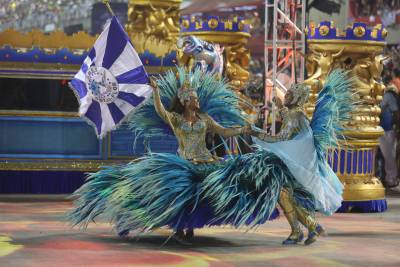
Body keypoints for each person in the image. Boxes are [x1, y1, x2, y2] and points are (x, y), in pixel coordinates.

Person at [68, 68, 258, 245]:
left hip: (207, 161)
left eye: (196, 97)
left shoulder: (205, 118)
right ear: (185, 101)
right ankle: (179, 229)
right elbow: (161, 111)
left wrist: (243, 129)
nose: (197, 100)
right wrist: (157, 91)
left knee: (203, 195)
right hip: (185, 162)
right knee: (182, 194)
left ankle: (190, 226)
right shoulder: (176, 119)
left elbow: (223, 132)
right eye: (193, 98)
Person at [204, 69, 355, 245]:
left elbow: (281, 138)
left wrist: (257, 132)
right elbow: (289, 120)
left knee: (283, 194)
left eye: (290, 94)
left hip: (288, 163)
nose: (286, 95)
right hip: (294, 162)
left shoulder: (293, 115)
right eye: (288, 92)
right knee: (285, 194)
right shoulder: (297, 113)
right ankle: (311, 226)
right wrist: (278, 106)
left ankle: (299, 231)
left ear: (297, 99)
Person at [379, 81, 400, 187]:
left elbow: (396, 114)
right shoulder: (385, 95)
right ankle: (386, 178)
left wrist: (397, 129)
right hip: (379, 129)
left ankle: (391, 179)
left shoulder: (388, 96)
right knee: (387, 156)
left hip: (387, 130)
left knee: (389, 156)